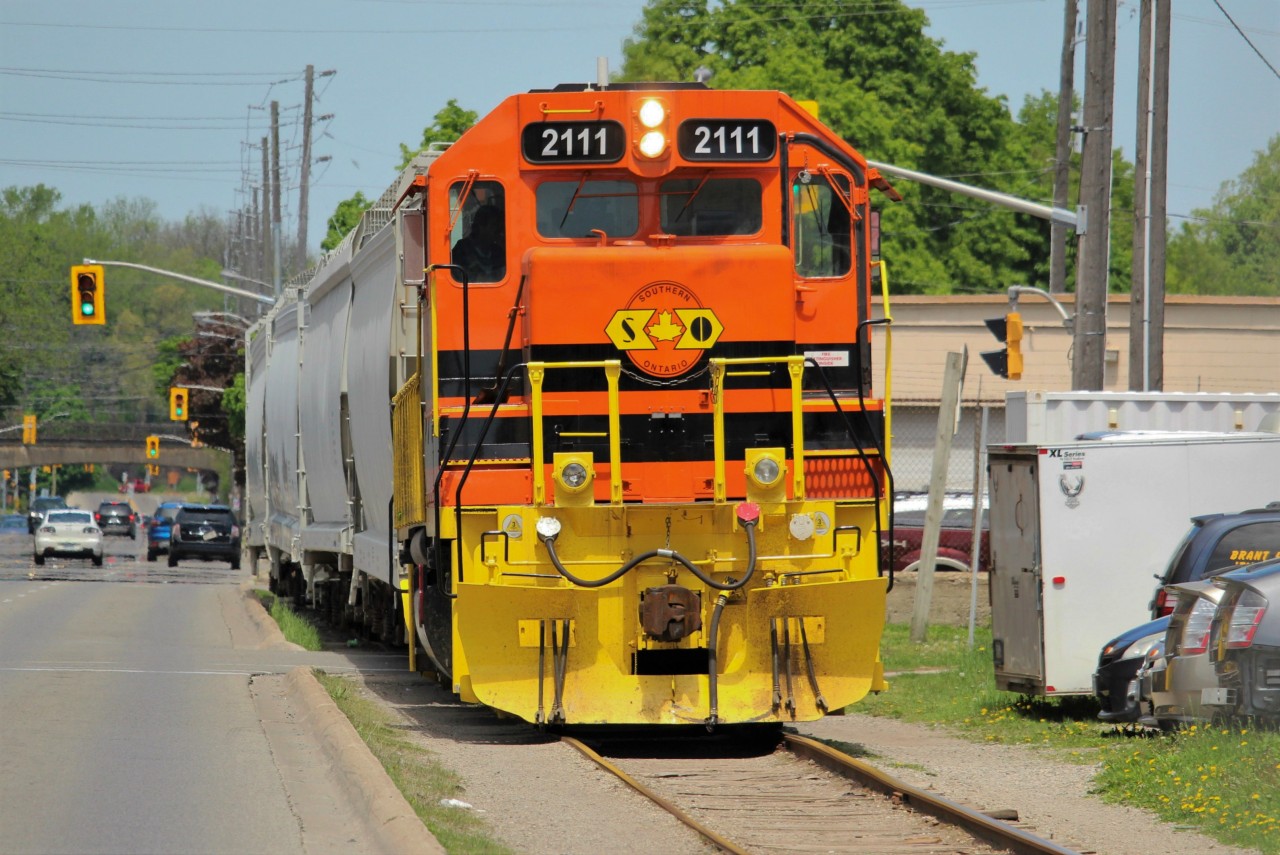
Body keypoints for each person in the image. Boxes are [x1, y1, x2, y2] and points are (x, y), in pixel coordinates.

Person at [451, 204, 506, 282]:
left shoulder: (498, 251)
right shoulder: (461, 251)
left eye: (499, 227)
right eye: (493, 226)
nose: (498, 231)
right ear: (480, 226)